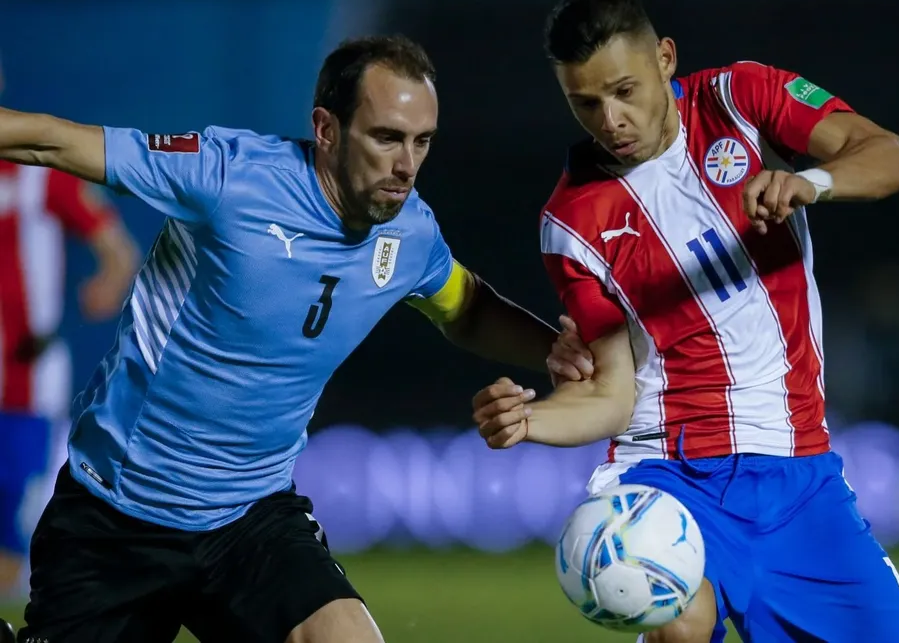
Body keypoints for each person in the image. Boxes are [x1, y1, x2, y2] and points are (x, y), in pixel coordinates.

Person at [0, 35, 582, 643]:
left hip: (250, 519)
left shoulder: (409, 234)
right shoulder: (229, 177)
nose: (406, 165)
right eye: (386, 137)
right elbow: (52, 141)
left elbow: (467, 310)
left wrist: (552, 351)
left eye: (422, 140)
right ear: (326, 129)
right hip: (117, 517)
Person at [471, 0, 899, 642]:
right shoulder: (572, 223)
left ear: (664, 58)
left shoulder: (740, 100)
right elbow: (614, 395)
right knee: (679, 619)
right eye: (585, 103)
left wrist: (810, 181)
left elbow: (893, 156)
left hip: (799, 473)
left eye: (623, 92)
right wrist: (526, 419)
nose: (610, 120)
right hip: (669, 474)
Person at [0, 52, 139, 597]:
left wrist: (111, 276)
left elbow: (115, 243)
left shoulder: (36, 170)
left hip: (23, 371)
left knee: (11, 510)